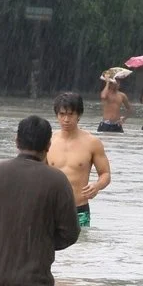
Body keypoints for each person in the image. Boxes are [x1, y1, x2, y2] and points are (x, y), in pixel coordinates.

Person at [0, 115, 80, 286]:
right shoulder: (57, 181)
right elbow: (70, 233)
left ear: (16, 141)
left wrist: (0, 233)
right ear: (48, 145)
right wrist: (41, 241)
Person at [47, 92, 111, 227]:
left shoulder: (92, 142)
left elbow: (105, 174)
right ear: (57, 115)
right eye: (62, 114)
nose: (66, 119)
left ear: (79, 115)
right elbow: (36, 172)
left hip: (79, 210)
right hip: (50, 209)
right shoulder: (48, 140)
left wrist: (97, 186)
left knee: (81, 247)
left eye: (70, 114)